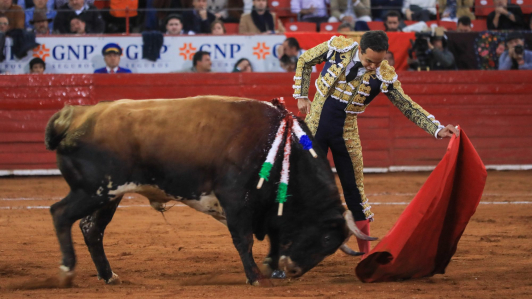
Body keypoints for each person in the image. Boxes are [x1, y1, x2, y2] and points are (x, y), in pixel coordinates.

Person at [292, 31, 458, 254]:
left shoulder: (384, 75)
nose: (373, 66)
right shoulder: (338, 47)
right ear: (359, 49)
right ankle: (288, 250)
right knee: (297, 183)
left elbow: (407, 105)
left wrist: (437, 129)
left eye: (378, 62)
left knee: (355, 192)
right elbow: (304, 60)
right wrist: (302, 94)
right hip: (311, 133)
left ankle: (365, 254)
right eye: (369, 61)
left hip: (346, 136)